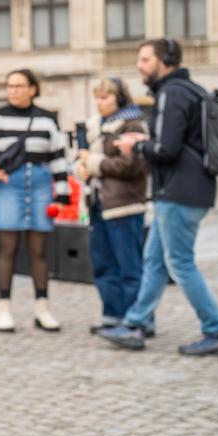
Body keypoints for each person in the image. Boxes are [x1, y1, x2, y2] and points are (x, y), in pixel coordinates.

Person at [101, 39, 218, 356]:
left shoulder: (172, 93)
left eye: (145, 59)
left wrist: (134, 146)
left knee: (180, 263)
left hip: (179, 192)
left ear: (165, 61)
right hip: (186, 189)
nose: (139, 66)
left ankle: (217, 331)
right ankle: (136, 323)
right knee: (154, 262)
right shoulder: (190, 90)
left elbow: (166, 149)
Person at [0, 69, 71, 333]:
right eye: (10, 86)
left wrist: (62, 196)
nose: (14, 90)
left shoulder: (47, 120)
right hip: (8, 187)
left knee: (39, 251)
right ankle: (4, 308)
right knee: (8, 249)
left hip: (40, 187)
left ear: (32, 89)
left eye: (19, 86)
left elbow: (59, 159)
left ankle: (42, 308)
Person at [76, 79, 149, 336]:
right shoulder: (95, 126)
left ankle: (137, 320)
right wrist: (82, 167)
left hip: (124, 204)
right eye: (97, 98)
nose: (100, 103)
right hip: (98, 203)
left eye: (106, 98)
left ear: (119, 98)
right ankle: (112, 316)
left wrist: (94, 162)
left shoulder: (132, 123)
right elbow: (86, 159)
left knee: (129, 266)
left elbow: (132, 166)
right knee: (104, 264)